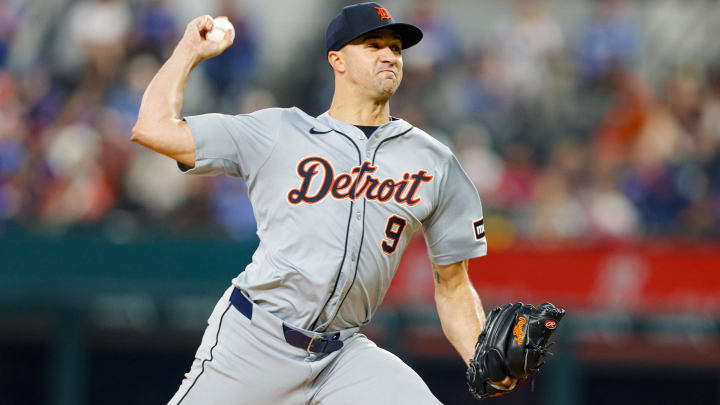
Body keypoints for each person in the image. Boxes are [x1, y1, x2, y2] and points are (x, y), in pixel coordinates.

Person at [132, 3, 510, 404]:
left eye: (396, 48)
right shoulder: (278, 131)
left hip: (342, 355)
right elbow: (152, 129)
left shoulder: (434, 161)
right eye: (373, 44)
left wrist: (482, 360)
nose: (389, 55)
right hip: (256, 341)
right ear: (337, 60)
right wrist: (189, 49)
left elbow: (453, 287)